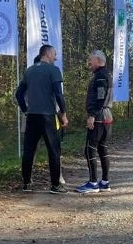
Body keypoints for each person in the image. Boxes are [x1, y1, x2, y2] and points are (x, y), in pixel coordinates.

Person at [15, 44, 68, 193]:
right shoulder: (53, 70)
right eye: (55, 54)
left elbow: (19, 95)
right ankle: (55, 185)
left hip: (32, 117)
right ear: (48, 53)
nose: (56, 58)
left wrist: (26, 110)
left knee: (29, 150)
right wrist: (63, 114)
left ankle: (26, 184)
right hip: (48, 117)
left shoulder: (29, 71)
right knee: (54, 150)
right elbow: (58, 94)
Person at [76, 50, 113, 193]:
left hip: (98, 117)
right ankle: (105, 182)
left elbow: (100, 97)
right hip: (107, 116)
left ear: (98, 60)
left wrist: (92, 115)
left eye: (90, 60)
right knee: (103, 148)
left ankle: (93, 183)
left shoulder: (100, 77)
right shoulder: (106, 75)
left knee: (90, 149)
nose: (89, 63)